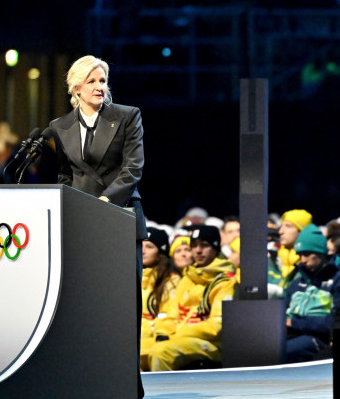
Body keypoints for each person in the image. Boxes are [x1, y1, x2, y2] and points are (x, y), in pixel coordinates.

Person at [50, 55, 147, 395]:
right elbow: (64, 176)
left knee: (123, 308)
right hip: (83, 225)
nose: (99, 86)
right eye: (91, 81)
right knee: (86, 308)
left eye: (102, 79)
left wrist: (105, 203)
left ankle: (127, 384)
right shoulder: (59, 127)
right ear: (75, 87)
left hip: (119, 220)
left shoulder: (126, 117)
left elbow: (133, 169)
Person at [146, 225, 235, 371]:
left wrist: (178, 334)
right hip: (180, 338)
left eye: (204, 245)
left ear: (216, 248)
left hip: (212, 344)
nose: (198, 250)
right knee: (135, 350)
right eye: (194, 246)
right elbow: (171, 316)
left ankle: (165, 394)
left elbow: (217, 327)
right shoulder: (188, 278)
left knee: (160, 353)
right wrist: (162, 333)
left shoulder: (225, 282)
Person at [283, 224, 340, 362]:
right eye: (300, 255)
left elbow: (334, 321)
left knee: (284, 351)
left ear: (320, 252)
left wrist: (294, 323)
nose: (303, 260)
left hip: (322, 338)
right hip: (293, 334)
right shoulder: (296, 283)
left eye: (307, 254)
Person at [139, 228, 181, 370]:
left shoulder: (170, 281)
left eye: (149, 246)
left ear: (161, 251)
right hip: (135, 337)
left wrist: (162, 333)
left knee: (130, 354)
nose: (143, 251)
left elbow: (169, 315)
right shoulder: (130, 277)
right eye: (140, 245)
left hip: (156, 337)